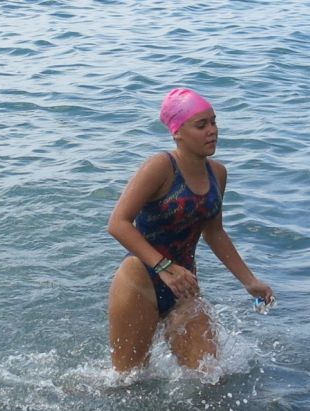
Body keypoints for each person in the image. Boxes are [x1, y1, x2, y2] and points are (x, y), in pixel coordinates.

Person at [107, 88, 274, 372]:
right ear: (178, 132)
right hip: (140, 278)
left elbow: (215, 232)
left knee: (210, 377)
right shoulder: (160, 167)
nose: (212, 130)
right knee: (127, 381)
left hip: (184, 285)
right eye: (201, 125)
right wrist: (164, 267)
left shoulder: (217, 173)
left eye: (214, 122)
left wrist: (249, 281)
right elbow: (118, 223)